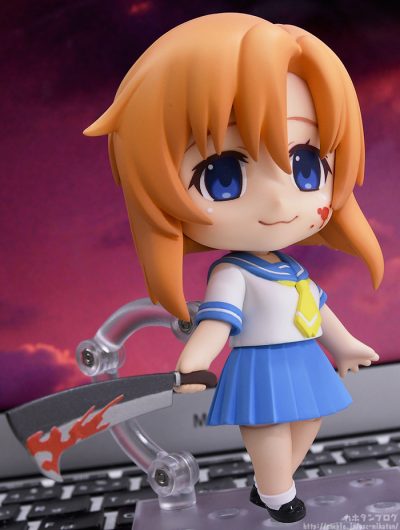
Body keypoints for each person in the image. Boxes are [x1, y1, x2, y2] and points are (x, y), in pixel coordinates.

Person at [84, 13, 384, 523]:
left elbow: (316, 309)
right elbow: (217, 323)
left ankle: (272, 484)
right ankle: (276, 491)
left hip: (304, 358)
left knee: (310, 419)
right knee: (268, 429)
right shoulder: (232, 274)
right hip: (260, 365)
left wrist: (345, 344)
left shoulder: (291, 267)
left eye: (306, 166)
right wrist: (194, 361)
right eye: (222, 176)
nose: (279, 200)